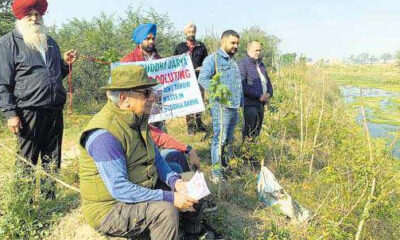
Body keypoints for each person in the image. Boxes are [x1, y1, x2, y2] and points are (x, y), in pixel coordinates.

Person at [79, 65, 222, 239]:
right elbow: (119, 189)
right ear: (124, 99)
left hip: (140, 188)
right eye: (146, 93)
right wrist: (169, 197)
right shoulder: (104, 135)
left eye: (152, 91)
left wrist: (174, 181)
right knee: (165, 210)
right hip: (110, 207)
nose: (153, 97)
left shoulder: (137, 120)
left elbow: (156, 158)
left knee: (191, 181)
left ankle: (192, 233)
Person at [0, 0, 77, 195]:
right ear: (20, 17)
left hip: (53, 110)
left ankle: (49, 200)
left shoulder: (50, 42)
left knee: (52, 158)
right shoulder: (8, 43)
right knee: (27, 160)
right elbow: (3, 82)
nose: (35, 19)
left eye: (38, 15)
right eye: (30, 15)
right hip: (28, 111)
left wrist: (66, 64)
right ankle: (24, 205)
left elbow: (53, 75)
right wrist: (10, 113)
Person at [198, 30, 242, 183]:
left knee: (229, 140)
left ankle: (227, 169)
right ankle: (216, 174)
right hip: (221, 107)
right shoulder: (213, 59)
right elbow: (203, 79)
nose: (235, 46)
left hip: (234, 107)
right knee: (220, 140)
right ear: (223, 41)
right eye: (233, 43)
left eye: (237, 43)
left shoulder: (233, 61)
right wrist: (220, 92)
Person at [174, 22, 208, 135]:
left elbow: (207, 63)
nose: (191, 34)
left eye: (193, 32)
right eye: (189, 32)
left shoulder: (201, 46)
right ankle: (190, 127)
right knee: (188, 104)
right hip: (185, 81)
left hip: (199, 80)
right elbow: (174, 64)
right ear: (185, 33)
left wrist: (201, 68)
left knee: (199, 103)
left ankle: (199, 123)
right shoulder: (179, 47)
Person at [239, 41, 273, 140]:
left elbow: (268, 82)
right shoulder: (243, 64)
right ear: (249, 50)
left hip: (261, 105)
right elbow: (242, 85)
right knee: (249, 132)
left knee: (257, 132)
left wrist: (269, 93)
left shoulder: (261, 64)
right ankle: (246, 155)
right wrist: (259, 95)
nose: (258, 52)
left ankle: (253, 154)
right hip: (250, 105)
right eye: (256, 50)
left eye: (260, 50)